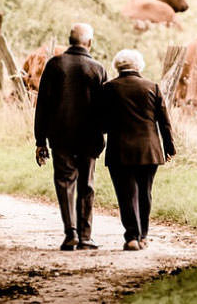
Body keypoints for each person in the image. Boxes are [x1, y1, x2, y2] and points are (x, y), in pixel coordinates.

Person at [34, 23, 107, 251]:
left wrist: (40, 140)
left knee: (65, 183)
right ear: (90, 43)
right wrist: (103, 133)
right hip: (89, 137)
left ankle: (71, 234)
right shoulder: (98, 68)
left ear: (69, 40)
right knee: (87, 185)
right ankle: (86, 236)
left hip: (61, 136)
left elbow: (42, 105)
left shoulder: (55, 65)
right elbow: (105, 108)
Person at [100, 49, 175, 251]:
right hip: (149, 150)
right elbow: (164, 122)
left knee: (125, 195)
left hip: (119, 151)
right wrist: (169, 147)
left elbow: (103, 123)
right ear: (139, 66)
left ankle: (131, 236)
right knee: (145, 193)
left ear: (117, 66)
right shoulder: (153, 87)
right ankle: (143, 236)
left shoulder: (108, 88)